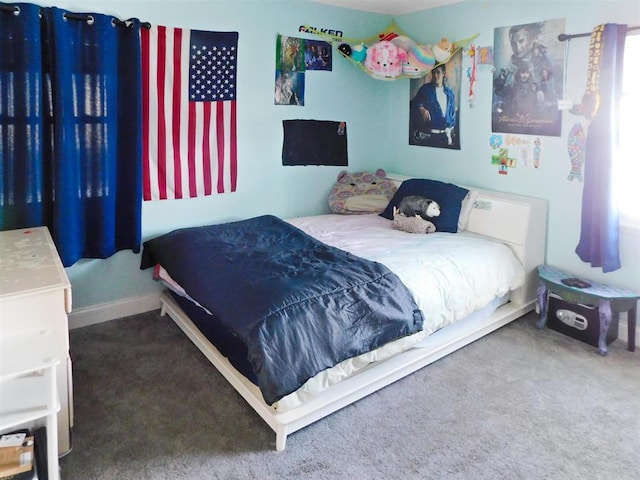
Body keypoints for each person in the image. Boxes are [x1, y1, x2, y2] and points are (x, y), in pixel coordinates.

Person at [410, 64, 457, 147]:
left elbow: (452, 112)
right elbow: (414, 103)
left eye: (438, 72)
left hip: (447, 136)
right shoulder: (425, 90)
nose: (435, 75)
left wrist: (451, 130)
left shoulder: (449, 93)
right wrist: (422, 109)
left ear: (444, 74)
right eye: (433, 73)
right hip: (431, 137)